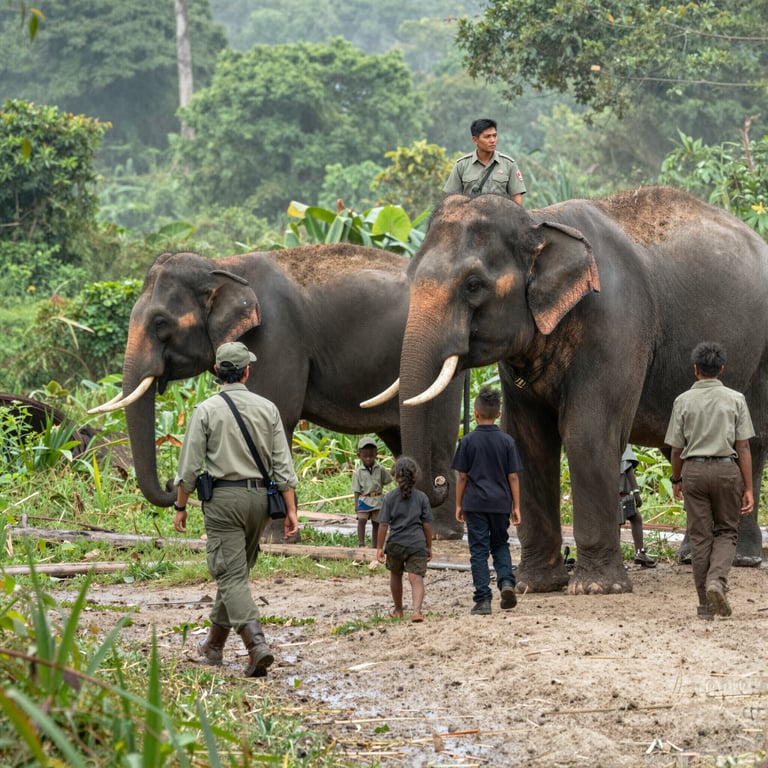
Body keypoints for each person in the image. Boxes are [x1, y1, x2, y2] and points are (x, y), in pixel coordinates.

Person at [173, 341, 299, 676]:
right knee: (235, 575)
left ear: (217, 371)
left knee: (229, 575)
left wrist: (180, 506)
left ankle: (256, 645)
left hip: (223, 502)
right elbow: (283, 468)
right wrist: (291, 511)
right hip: (260, 501)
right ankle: (213, 646)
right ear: (246, 371)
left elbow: (188, 469)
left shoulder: (206, 410)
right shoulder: (267, 409)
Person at [664, 341, 754, 620]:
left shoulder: (683, 401)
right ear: (722, 369)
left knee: (699, 536)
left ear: (695, 370)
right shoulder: (735, 398)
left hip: (694, 472)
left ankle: (705, 605)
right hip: (727, 471)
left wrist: (676, 478)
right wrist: (748, 487)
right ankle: (717, 580)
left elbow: (677, 449)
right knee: (727, 531)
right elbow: (743, 448)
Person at [451, 386, 523, 615]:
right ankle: (507, 583)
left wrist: (459, 504)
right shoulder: (507, 441)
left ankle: (483, 600)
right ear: (499, 414)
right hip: (500, 503)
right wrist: (516, 506)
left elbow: (462, 476)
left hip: (475, 504)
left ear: (475, 413)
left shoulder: (468, 442)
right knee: (500, 544)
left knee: (479, 551)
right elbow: (513, 476)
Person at [376, 456, 433, 622]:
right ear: (415, 476)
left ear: (394, 475)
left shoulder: (389, 498)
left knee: (396, 575)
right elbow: (427, 526)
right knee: (416, 578)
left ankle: (398, 609)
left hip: (396, 543)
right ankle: (416, 611)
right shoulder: (422, 498)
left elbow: (383, 525)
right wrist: (428, 546)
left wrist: (379, 547)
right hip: (417, 544)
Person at [443, 118, 526, 205]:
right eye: (487, 137)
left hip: (500, 217)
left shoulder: (509, 164)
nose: (492, 140)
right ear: (475, 140)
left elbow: (516, 197)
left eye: (494, 136)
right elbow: (450, 199)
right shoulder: (462, 165)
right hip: (471, 216)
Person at [618, 445, 656, 568]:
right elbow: (628, 467)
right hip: (618, 493)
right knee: (616, 523)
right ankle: (617, 559)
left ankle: (640, 553)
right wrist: (636, 491)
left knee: (636, 518)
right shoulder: (621, 439)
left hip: (621, 493)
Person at [352, 436, 393, 548]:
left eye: (371, 456)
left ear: (376, 454)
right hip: (364, 499)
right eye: (365, 456)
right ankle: (361, 543)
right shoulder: (358, 472)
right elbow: (356, 490)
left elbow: (388, 480)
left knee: (377, 523)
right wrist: (356, 505)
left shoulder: (380, 469)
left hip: (378, 500)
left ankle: (375, 546)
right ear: (359, 455)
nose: (368, 459)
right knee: (362, 519)